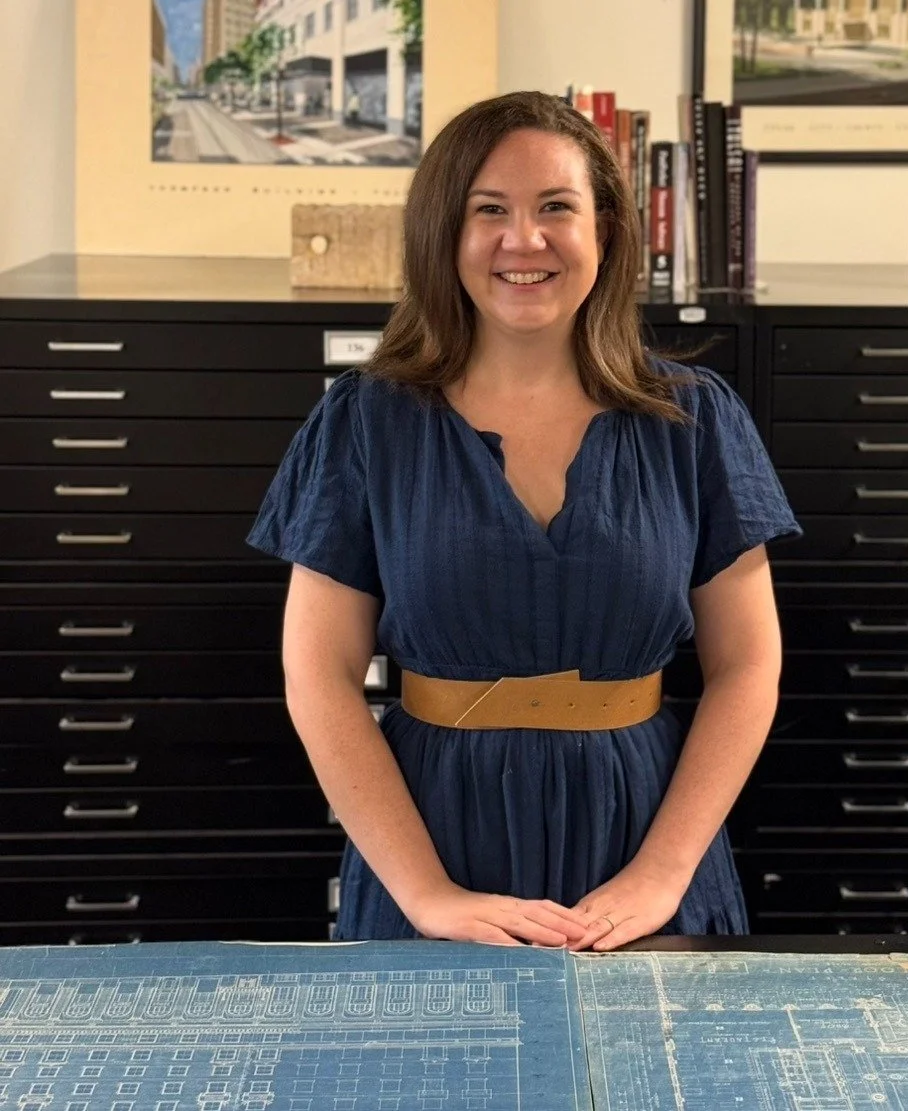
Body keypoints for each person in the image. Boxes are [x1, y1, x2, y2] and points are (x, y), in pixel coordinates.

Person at [247, 90, 800, 951]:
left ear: (606, 231)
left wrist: (661, 874)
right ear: (446, 235)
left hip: (644, 843)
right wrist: (429, 894)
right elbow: (317, 675)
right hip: (435, 844)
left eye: (556, 209)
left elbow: (748, 663)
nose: (524, 240)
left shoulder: (694, 418)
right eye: (489, 211)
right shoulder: (365, 420)